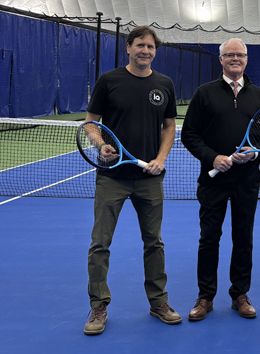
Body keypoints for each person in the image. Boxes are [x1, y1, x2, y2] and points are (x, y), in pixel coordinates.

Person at [84, 26, 181, 335]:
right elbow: (90, 123)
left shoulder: (164, 84)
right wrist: (101, 145)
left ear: (155, 51)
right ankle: (98, 305)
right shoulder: (109, 81)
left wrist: (161, 159)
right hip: (112, 178)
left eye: (151, 47)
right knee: (100, 243)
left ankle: (158, 302)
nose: (145, 51)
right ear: (128, 47)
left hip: (150, 179)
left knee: (154, 242)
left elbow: (169, 126)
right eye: (140, 45)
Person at [181, 38, 260, 321]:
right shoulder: (204, 94)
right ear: (220, 60)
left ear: (246, 59)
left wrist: (253, 153)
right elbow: (189, 134)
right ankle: (205, 296)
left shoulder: (259, 95)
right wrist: (213, 158)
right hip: (212, 182)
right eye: (229, 55)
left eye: (240, 55)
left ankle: (240, 295)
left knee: (243, 238)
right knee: (209, 238)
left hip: (247, 180)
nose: (235, 59)